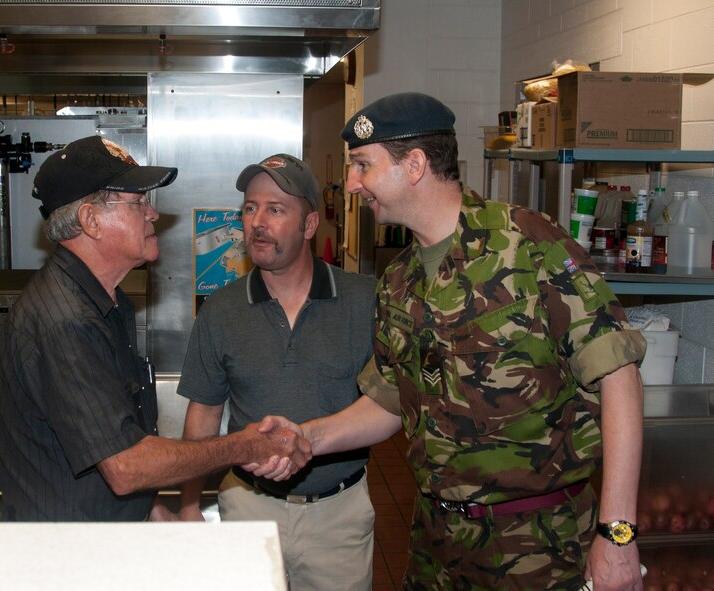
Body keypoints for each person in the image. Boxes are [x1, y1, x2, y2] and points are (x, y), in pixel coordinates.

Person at [259, 93, 647, 591]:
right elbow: (390, 400)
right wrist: (307, 438)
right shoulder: (398, 279)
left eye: (363, 166)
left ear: (415, 165)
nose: (352, 184)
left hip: (538, 549)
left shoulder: (527, 245)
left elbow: (620, 377)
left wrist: (617, 535)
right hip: (436, 547)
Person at [0, 136, 311, 521]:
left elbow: (103, 446)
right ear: (91, 221)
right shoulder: (66, 321)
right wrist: (245, 446)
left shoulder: (107, 301)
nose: (153, 214)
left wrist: (153, 510)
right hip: (71, 557)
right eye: (138, 202)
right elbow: (125, 467)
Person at [176, 153, 377, 590]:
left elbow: (389, 404)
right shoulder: (221, 310)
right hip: (248, 506)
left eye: (275, 209)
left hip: (338, 516)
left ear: (308, 226)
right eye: (250, 208)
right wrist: (189, 503)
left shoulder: (364, 302)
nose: (257, 222)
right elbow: (204, 415)